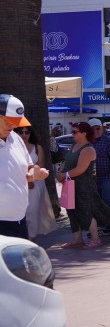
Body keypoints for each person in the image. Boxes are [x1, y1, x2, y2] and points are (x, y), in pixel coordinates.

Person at [57, 122, 110, 248]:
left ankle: (95, 239)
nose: (72, 134)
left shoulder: (88, 149)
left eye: (75, 132)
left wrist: (63, 175)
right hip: (70, 183)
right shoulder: (75, 145)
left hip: (84, 185)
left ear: (84, 133)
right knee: (71, 211)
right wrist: (61, 173)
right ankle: (77, 239)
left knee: (86, 211)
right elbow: (67, 161)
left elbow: (80, 169)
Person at [0, 95, 50, 239]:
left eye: (16, 122)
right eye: (9, 121)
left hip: (19, 219)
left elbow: (28, 167)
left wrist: (35, 173)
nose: (13, 126)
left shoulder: (16, 139)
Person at [15, 125, 56, 241]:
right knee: (20, 212)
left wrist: (32, 177)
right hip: (18, 184)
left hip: (35, 184)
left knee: (33, 212)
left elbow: (41, 167)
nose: (24, 135)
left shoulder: (37, 148)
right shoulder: (12, 149)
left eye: (27, 132)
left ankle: (31, 239)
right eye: (21, 132)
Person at [89, 118, 110, 234]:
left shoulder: (108, 141)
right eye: (93, 129)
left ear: (102, 129)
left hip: (106, 178)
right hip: (92, 180)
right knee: (96, 205)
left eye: (98, 128)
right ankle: (103, 227)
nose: (96, 131)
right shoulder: (87, 142)